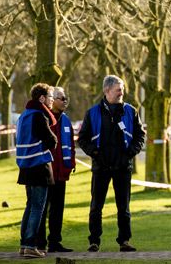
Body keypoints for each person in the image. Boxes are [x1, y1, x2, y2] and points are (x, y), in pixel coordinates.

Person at [77, 75, 145, 252]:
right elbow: (82, 138)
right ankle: (94, 241)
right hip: (101, 167)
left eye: (122, 88)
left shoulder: (131, 111)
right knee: (96, 206)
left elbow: (140, 136)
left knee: (124, 207)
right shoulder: (92, 113)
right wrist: (95, 153)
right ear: (106, 90)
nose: (121, 92)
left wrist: (130, 153)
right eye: (118, 89)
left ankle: (124, 241)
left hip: (123, 167)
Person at [16, 83, 57, 258]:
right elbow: (51, 140)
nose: (52, 100)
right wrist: (53, 140)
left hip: (25, 167)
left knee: (29, 206)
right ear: (41, 98)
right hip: (39, 167)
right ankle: (31, 245)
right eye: (50, 97)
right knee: (38, 208)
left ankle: (24, 244)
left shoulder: (24, 115)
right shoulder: (40, 116)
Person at [37, 87, 76, 253]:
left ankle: (55, 242)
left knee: (58, 209)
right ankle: (39, 243)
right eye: (61, 98)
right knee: (42, 208)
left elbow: (71, 144)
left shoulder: (66, 120)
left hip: (61, 173)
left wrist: (71, 163)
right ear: (52, 100)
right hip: (46, 171)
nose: (65, 101)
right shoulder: (43, 118)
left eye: (66, 98)